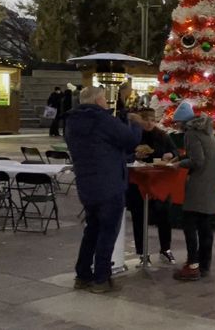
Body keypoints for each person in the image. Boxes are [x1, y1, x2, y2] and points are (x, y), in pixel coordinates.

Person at [65, 86, 143, 293]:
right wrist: (134, 124)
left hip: (87, 184)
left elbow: (100, 146)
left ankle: (82, 275)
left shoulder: (72, 122)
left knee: (92, 229)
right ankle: (101, 279)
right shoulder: (103, 120)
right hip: (109, 184)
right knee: (108, 232)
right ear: (99, 101)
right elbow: (130, 141)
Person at [172, 102, 215, 281]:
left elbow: (198, 161)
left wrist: (178, 164)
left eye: (177, 123)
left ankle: (192, 266)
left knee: (190, 225)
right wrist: (179, 157)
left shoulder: (191, 134)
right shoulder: (206, 130)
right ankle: (204, 265)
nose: (176, 126)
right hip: (212, 183)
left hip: (199, 186)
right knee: (205, 227)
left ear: (183, 121)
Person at [128, 108, 179, 265]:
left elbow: (174, 151)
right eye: (145, 119)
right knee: (139, 217)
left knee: (164, 215)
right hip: (138, 181)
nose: (149, 122)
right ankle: (142, 252)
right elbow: (126, 153)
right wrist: (135, 156)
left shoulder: (162, 135)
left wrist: (170, 155)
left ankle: (165, 249)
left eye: (152, 119)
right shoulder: (133, 135)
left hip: (159, 181)